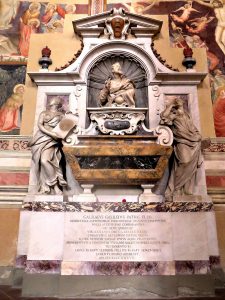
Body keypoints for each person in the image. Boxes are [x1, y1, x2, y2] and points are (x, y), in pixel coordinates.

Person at [160, 96, 202, 198]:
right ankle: (176, 187)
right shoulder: (173, 113)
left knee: (190, 165)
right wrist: (171, 105)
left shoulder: (187, 114)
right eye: (177, 100)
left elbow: (192, 127)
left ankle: (182, 189)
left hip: (194, 141)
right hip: (182, 141)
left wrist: (197, 135)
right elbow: (164, 116)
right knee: (184, 161)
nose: (179, 100)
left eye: (180, 100)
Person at [29, 97, 67, 195]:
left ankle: (55, 186)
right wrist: (50, 133)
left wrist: (56, 135)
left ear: (58, 105)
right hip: (41, 138)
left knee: (44, 161)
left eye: (54, 103)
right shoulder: (44, 113)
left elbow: (64, 129)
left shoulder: (61, 115)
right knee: (41, 162)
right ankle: (47, 186)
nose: (52, 104)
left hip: (52, 140)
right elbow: (40, 125)